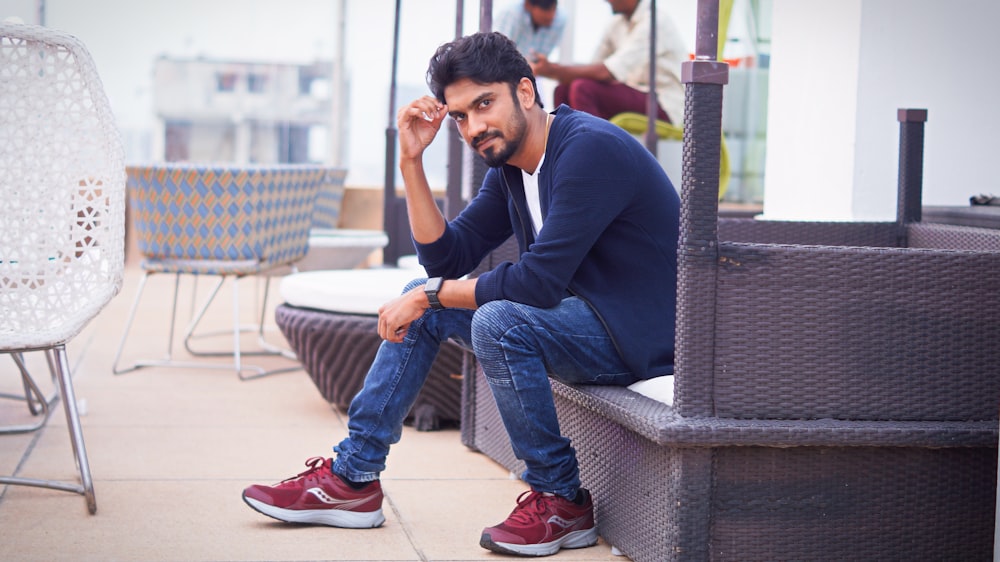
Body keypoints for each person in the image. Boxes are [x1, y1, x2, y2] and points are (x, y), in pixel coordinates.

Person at [241, 31, 680, 558]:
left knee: (490, 318)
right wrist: (410, 163)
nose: (474, 128)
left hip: (637, 338)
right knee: (424, 297)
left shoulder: (589, 150)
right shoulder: (513, 165)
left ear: (524, 91)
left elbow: (534, 283)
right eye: (460, 117)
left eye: (483, 105)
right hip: (580, 321)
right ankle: (352, 480)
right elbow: (448, 259)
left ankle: (561, 498)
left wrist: (431, 295)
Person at [531, 0, 687, 124]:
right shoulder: (616, 24)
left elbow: (608, 72)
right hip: (634, 92)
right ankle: (565, 149)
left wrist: (552, 70)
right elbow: (593, 68)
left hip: (663, 101)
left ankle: (593, 153)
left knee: (583, 88)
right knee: (563, 90)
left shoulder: (655, 21)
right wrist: (552, 70)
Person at [494, 0, 567, 61]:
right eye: (545, 8)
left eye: (553, 8)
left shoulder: (560, 19)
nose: (550, 15)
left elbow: (543, 56)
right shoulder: (511, 14)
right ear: (528, 5)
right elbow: (498, 53)